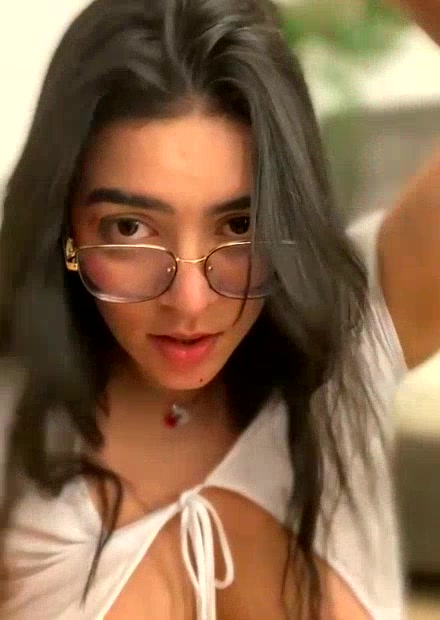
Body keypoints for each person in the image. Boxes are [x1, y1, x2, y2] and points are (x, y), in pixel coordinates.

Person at [0, 1, 406, 619]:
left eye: (240, 224)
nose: (190, 301)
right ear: (66, 228)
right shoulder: (14, 420)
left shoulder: (354, 328)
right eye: (130, 227)